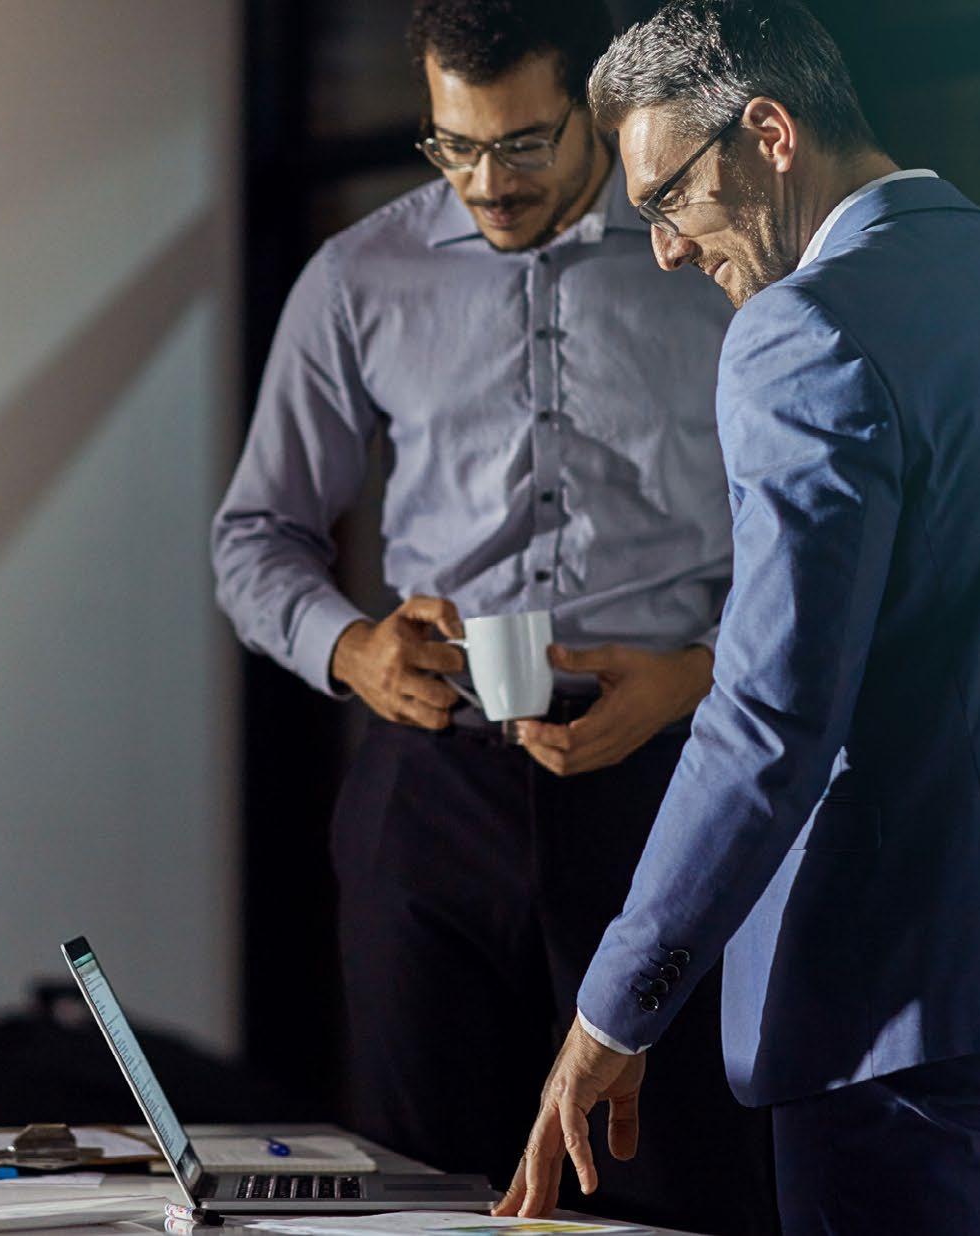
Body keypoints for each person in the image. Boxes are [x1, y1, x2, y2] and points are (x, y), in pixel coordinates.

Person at [496, 2, 980, 1233]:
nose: (667, 250)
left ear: (768, 135)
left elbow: (771, 718)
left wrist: (613, 1011)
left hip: (894, 994)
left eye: (668, 201)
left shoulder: (804, 332)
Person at [212, 2, 776, 1232]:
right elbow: (255, 538)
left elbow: (808, 546)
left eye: (522, 143)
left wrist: (696, 676)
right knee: (427, 1189)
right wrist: (351, 648)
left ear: (593, 108)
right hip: (432, 793)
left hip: (669, 784)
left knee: (674, 1182)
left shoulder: (710, 266)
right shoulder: (358, 277)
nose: (487, 181)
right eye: (454, 146)